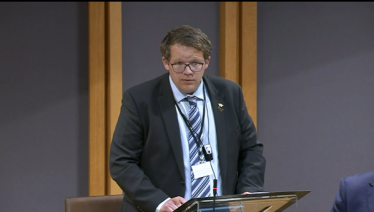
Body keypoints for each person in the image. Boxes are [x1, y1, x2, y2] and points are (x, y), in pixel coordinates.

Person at [109, 25, 266, 212]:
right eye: (179, 64)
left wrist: (249, 190)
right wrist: (159, 202)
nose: (188, 71)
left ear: (207, 61)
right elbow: (122, 161)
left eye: (195, 63)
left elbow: (251, 149)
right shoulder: (140, 99)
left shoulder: (229, 93)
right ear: (166, 62)